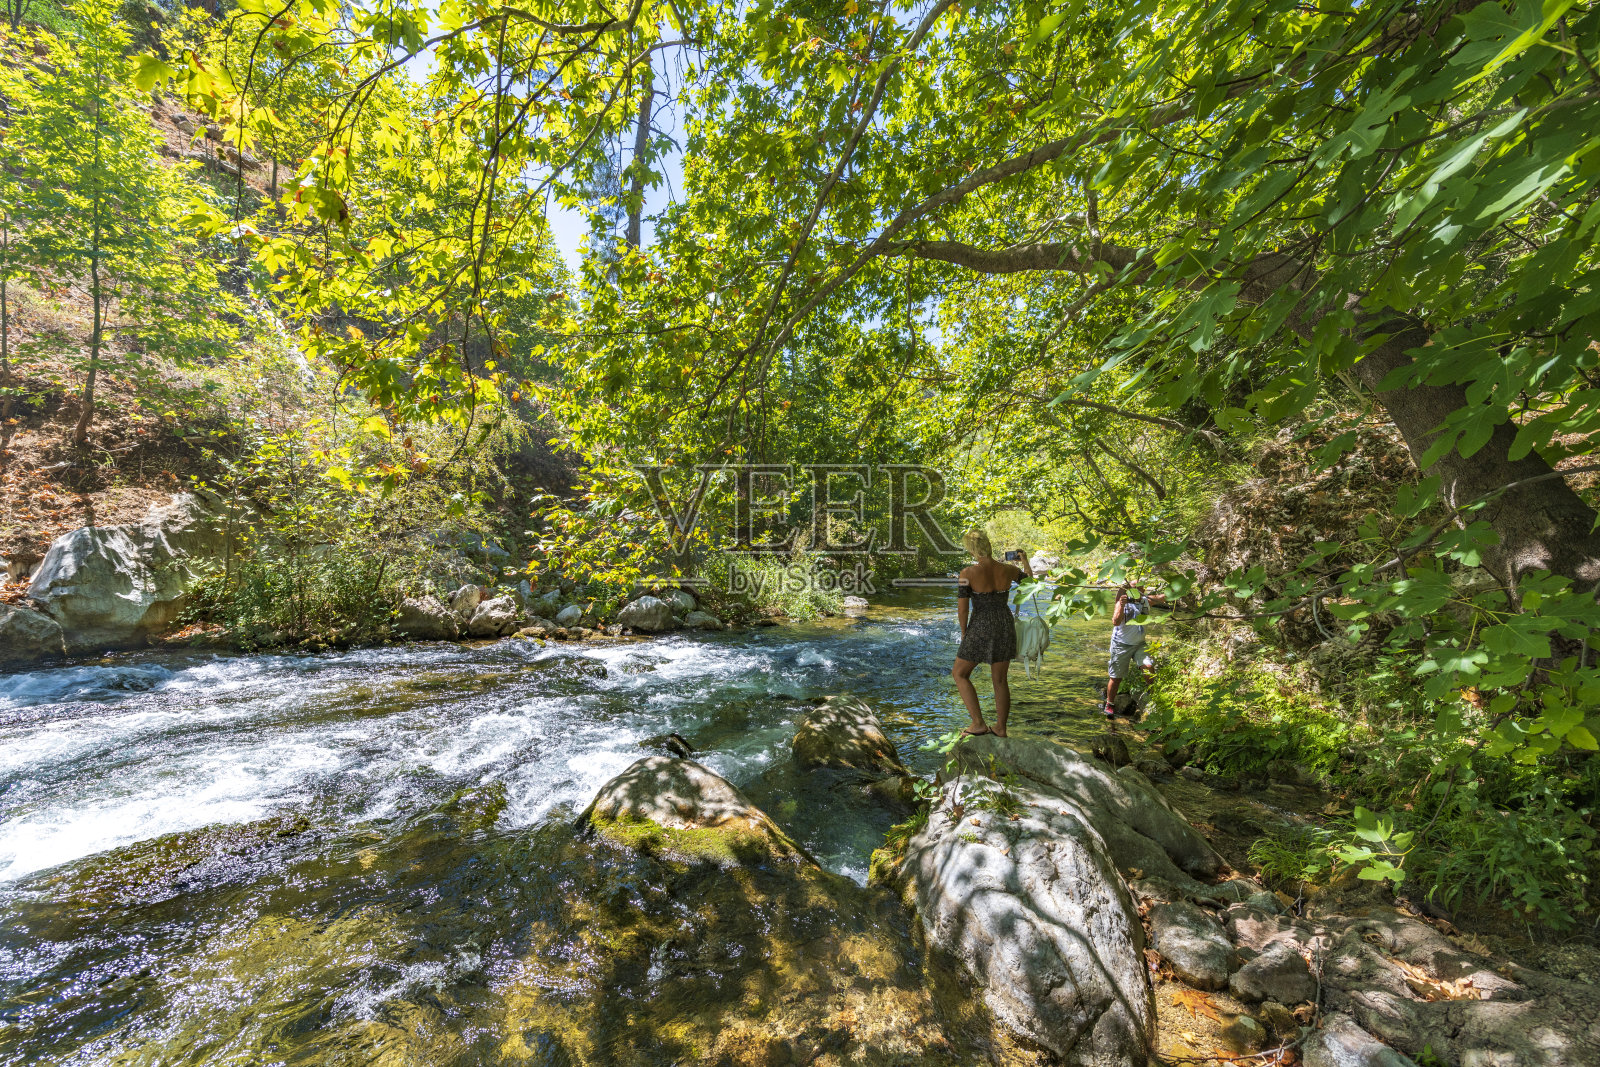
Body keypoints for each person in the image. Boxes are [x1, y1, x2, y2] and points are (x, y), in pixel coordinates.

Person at [952, 530, 1034, 737]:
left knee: (960, 674)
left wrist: (964, 633)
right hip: (1004, 624)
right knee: (1000, 680)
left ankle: (978, 723)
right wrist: (1025, 561)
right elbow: (1031, 584)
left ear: (971, 549)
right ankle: (1001, 728)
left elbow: (963, 609)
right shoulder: (1007, 569)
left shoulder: (967, 573)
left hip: (981, 625)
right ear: (987, 545)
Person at [1105, 585, 1167, 719]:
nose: (1140, 591)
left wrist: (1176, 592)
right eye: (1136, 588)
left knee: (1148, 668)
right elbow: (1115, 621)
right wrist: (1121, 605)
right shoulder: (1121, 603)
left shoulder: (1145, 601)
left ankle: (1155, 696)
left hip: (1139, 644)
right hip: (1121, 645)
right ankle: (1109, 703)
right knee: (1116, 678)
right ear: (1129, 591)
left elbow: (1160, 598)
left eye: (1141, 588)